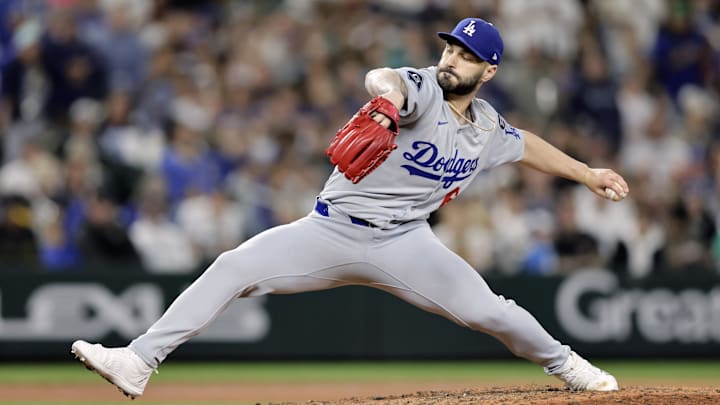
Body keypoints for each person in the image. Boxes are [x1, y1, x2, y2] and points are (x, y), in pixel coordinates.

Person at [71, 18, 629, 398]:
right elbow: (384, 78)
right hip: (330, 231)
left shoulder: (486, 128)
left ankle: (567, 366)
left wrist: (587, 173)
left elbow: (527, 143)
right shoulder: (420, 86)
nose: (453, 59)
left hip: (405, 242)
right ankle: (139, 362)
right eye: (452, 47)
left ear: (489, 72)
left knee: (493, 312)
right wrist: (385, 101)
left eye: (469, 56)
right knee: (233, 266)